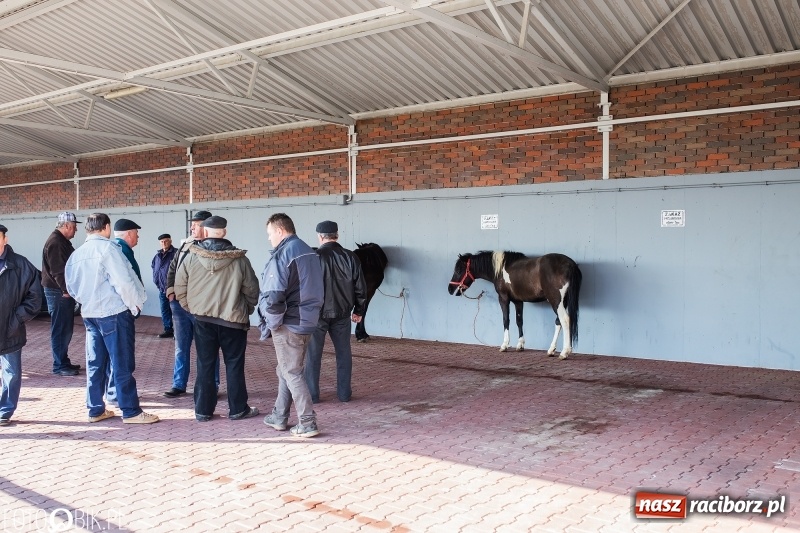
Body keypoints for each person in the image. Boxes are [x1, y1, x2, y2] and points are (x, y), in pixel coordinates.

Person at [65, 213, 159, 424]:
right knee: (122, 362)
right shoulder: (109, 249)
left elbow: (70, 287)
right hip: (113, 313)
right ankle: (131, 412)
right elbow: (124, 282)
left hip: (89, 315)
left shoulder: (77, 254)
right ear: (106, 227)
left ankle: (95, 409)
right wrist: (135, 305)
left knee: (95, 363)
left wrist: (86, 302)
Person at [174, 216, 260, 422]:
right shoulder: (240, 260)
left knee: (204, 364)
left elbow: (180, 289)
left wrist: (193, 309)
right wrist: (244, 308)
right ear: (225, 232)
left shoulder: (191, 257)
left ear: (205, 232)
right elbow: (252, 291)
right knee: (234, 365)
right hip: (234, 322)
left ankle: (203, 410)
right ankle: (238, 409)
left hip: (203, 320)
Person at [258, 213, 324, 438]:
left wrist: (272, 323)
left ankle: (307, 422)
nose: (269, 239)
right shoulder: (308, 251)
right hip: (308, 320)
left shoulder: (284, 254)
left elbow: (274, 296)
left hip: (290, 323)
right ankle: (279, 415)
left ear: (279, 230)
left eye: (269, 234)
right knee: (285, 369)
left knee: (292, 371)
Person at [304, 220, 367, 403]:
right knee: (344, 354)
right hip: (342, 315)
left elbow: (305, 287)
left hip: (317, 315)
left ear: (320, 236)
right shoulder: (351, 257)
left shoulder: (313, 256)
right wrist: (359, 310)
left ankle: (313, 396)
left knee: (313, 356)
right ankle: (344, 394)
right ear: (337, 235)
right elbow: (361, 287)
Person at [163, 210, 219, 398]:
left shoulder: (214, 248)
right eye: (192, 224)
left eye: (195, 224)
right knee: (181, 347)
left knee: (207, 348)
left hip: (201, 307)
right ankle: (179, 384)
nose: (192, 227)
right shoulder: (186, 245)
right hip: (179, 306)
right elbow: (173, 267)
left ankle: (212, 385)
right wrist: (171, 291)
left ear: (206, 227)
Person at [0, 224, 42, 425]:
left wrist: (17, 318)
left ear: (5, 239)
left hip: (11, 330)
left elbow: (35, 297)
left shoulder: (21, 265)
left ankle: (4, 411)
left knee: (12, 373)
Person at [41, 211, 81, 376]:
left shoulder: (60, 241)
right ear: (66, 226)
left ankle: (63, 361)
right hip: (58, 293)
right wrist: (66, 290)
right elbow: (58, 270)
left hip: (59, 291)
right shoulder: (56, 242)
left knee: (64, 328)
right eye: (74, 227)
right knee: (60, 329)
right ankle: (59, 365)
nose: (76, 230)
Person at [151, 233, 176, 338]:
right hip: (161, 289)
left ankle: (178, 331)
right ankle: (168, 329)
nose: (164, 243)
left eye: (166, 241)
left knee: (176, 311)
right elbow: (154, 268)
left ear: (170, 241)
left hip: (174, 290)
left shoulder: (176, 253)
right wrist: (156, 281)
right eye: (162, 242)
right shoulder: (157, 256)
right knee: (165, 310)